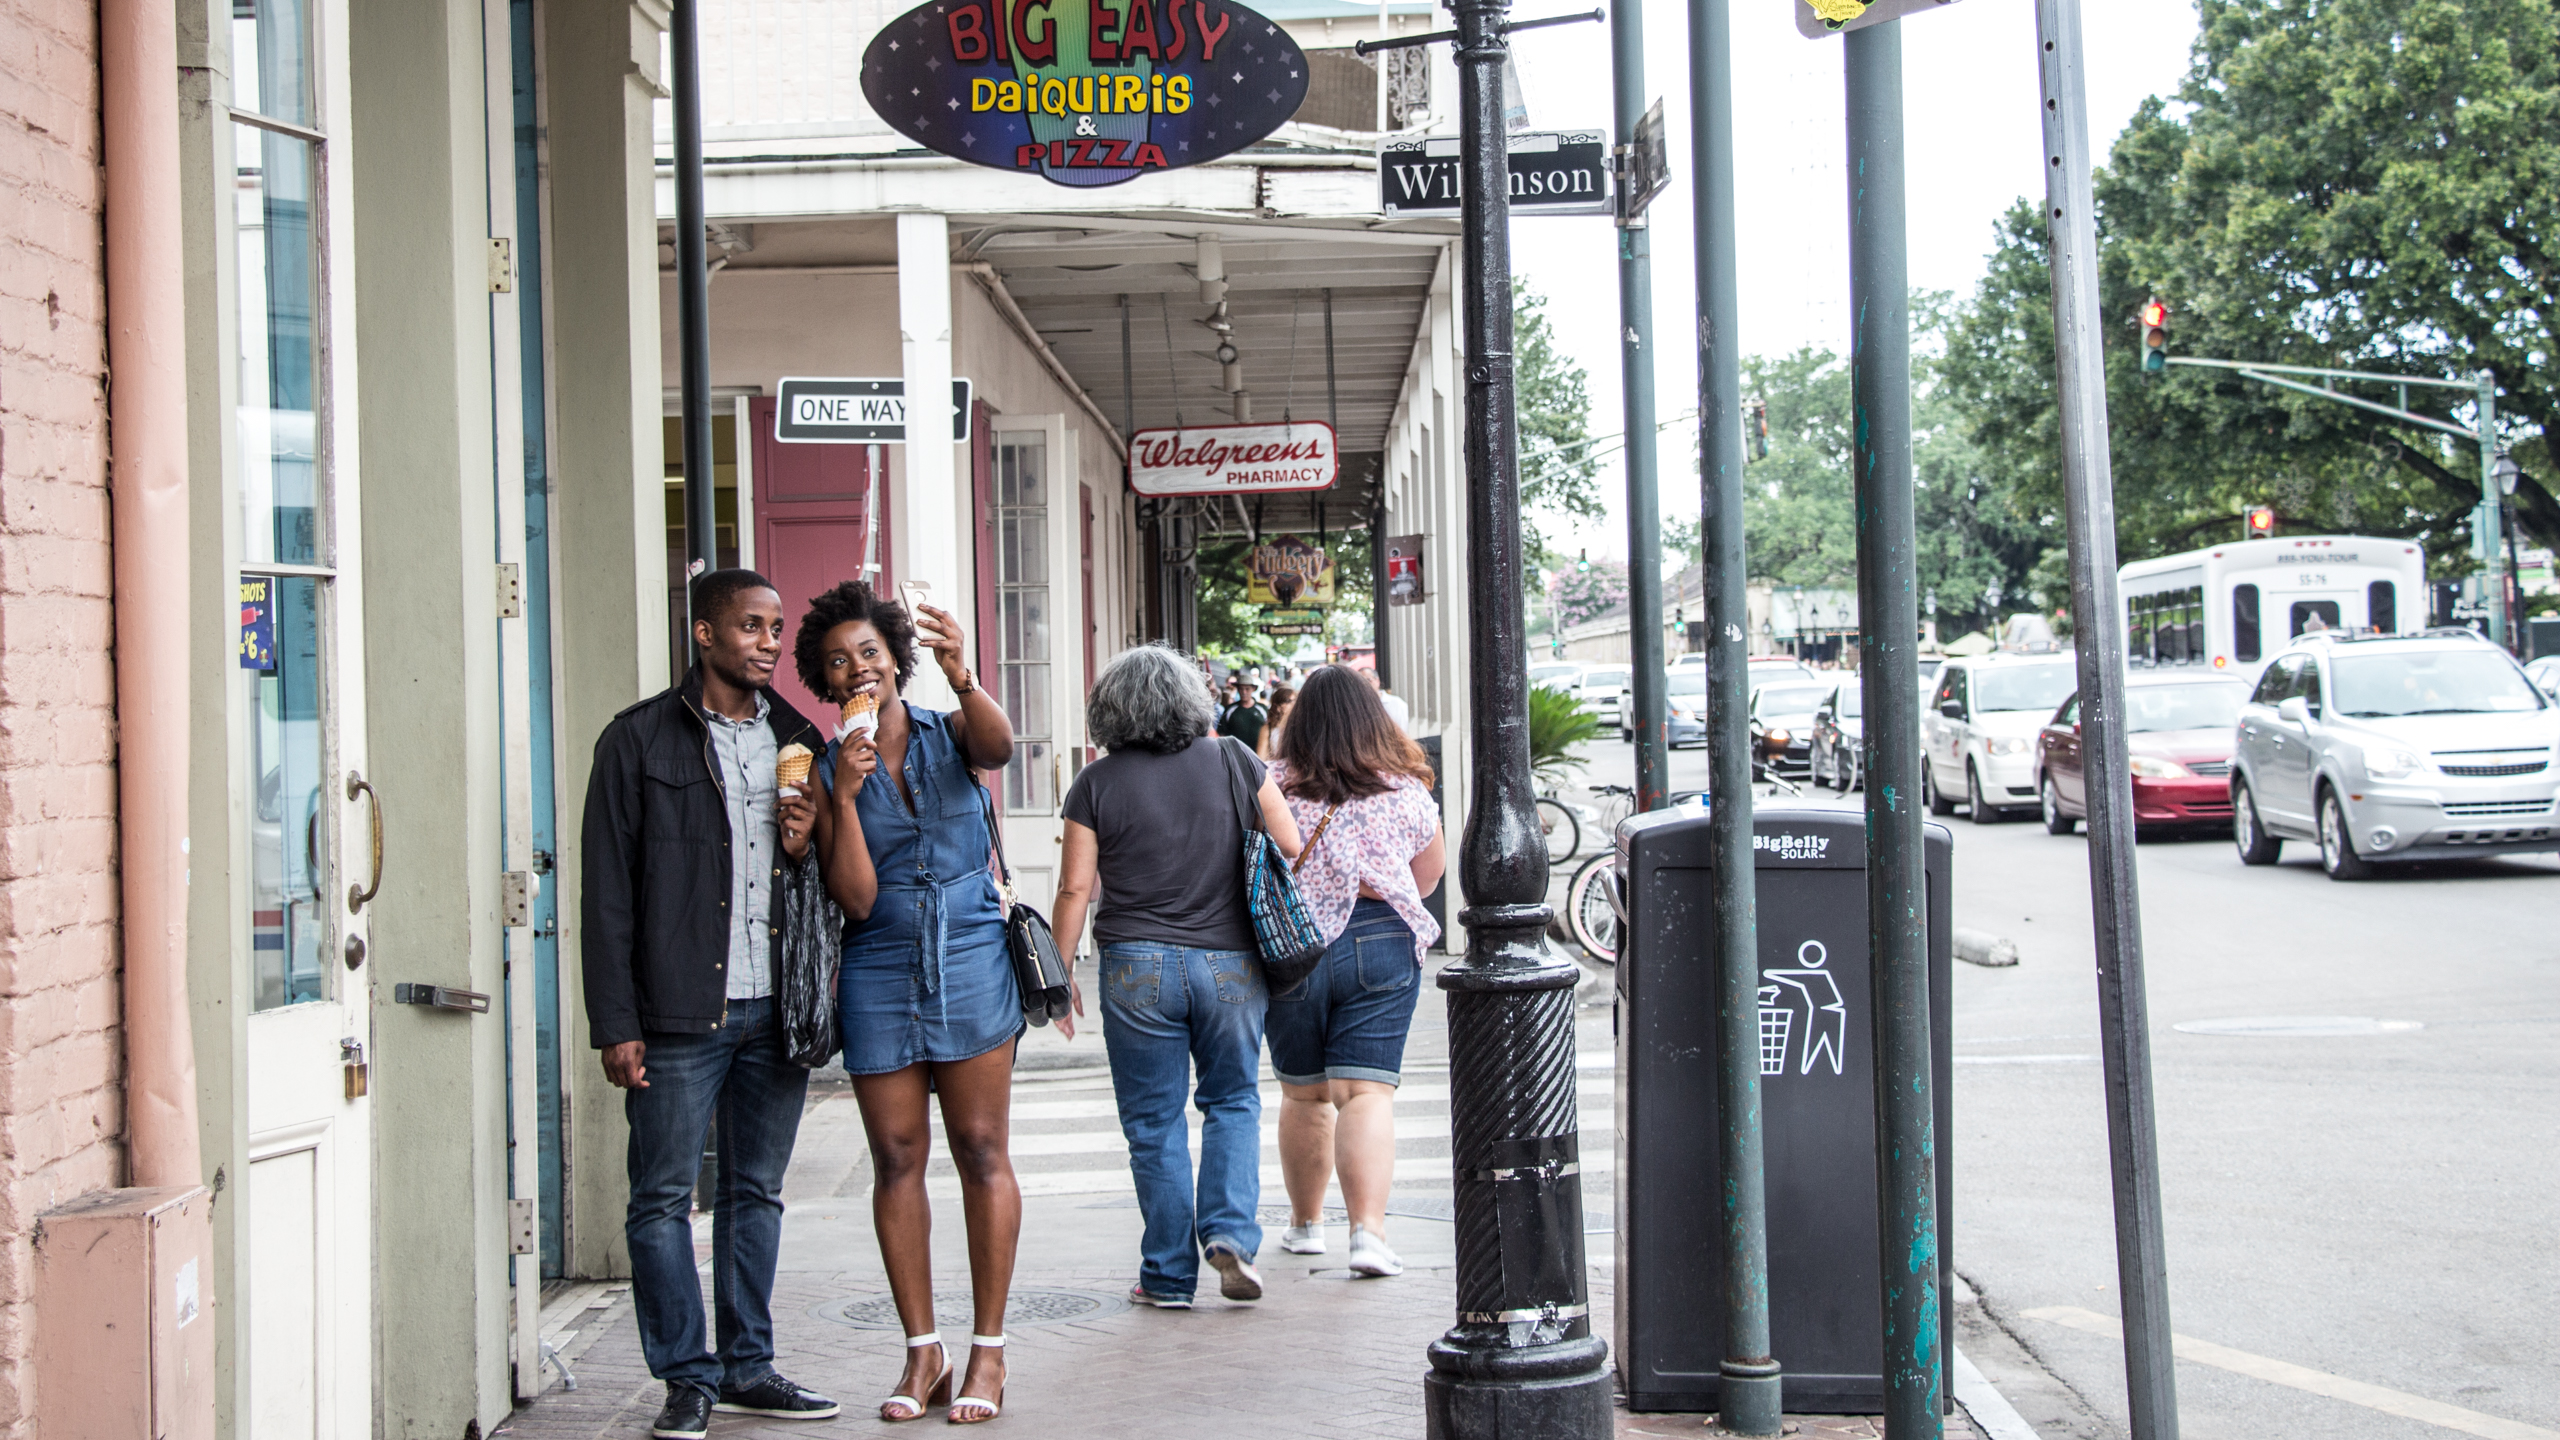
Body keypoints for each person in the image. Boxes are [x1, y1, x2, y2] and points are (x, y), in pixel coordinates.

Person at [581, 568, 840, 1439]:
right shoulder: (638, 741)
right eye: (752, 626)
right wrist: (615, 1022)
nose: (770, 641)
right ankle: (685, 1377)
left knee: (755, 1192)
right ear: (703, 633)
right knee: (660, 1199)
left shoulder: (801, 736)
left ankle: (747, 1366)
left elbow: (820, 877)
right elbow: (607, 892)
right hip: (678, 1013)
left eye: (776, 628)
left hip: (776, 1009)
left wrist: (815, 834)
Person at [798, 580, 1022, 1425]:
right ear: (825, 685)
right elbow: (853, 900)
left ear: (896, 658)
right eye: (837, 662)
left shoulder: (949, 730)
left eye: (868, 652)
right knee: (897, 1158)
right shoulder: (825, 772)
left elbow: (998, 749)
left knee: (979, 1147)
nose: (857, 668)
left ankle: (989, 1353)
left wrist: (963, 673)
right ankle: (921, 1349)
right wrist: (847, 799)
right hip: (880, 963)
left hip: (968, 951)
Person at [1049, 646, 1303, 1309]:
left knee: (1153, 1123)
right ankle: (1228, 1234)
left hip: (1136, 966)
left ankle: (1166, 1275)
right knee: (1233, 1101)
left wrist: (1058, 975)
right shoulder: (1236, 761)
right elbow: (1292, 845)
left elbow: (1075, 890)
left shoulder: (1094, 784)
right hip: (1230, 962)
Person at [1262, 667, 1445, 1277]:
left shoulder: (1274, 787)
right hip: (1382, 939)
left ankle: (1305, 1226)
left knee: (1304, 1092)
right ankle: (1368, 1235)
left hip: (1297, 946)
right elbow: (1428, 877)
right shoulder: (1406, 790)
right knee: (1364, 1092)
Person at [1216, 670, 1268, 752]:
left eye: (1247, 689)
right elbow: (1222, 733)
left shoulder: (1262, 709)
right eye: (1241, 689)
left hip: (1258, 754)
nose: (1244, 692)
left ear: (1253, 689)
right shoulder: (1230, 709)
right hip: (1235, 754)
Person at [1358, 665, 1414, 737]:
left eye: (1368, 680)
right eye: (1360, 682)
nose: (1364, 684)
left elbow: (1402, 733)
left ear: (1377, 681)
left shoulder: (1396, 704)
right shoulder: (1357, 707)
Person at [1257, 683, 1297, 761]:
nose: (1294, 704)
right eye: (1289, 701)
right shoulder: (1267, 729)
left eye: (1295, 700)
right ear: (1278, 707)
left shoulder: (1299, 726)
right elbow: (1261, 759)